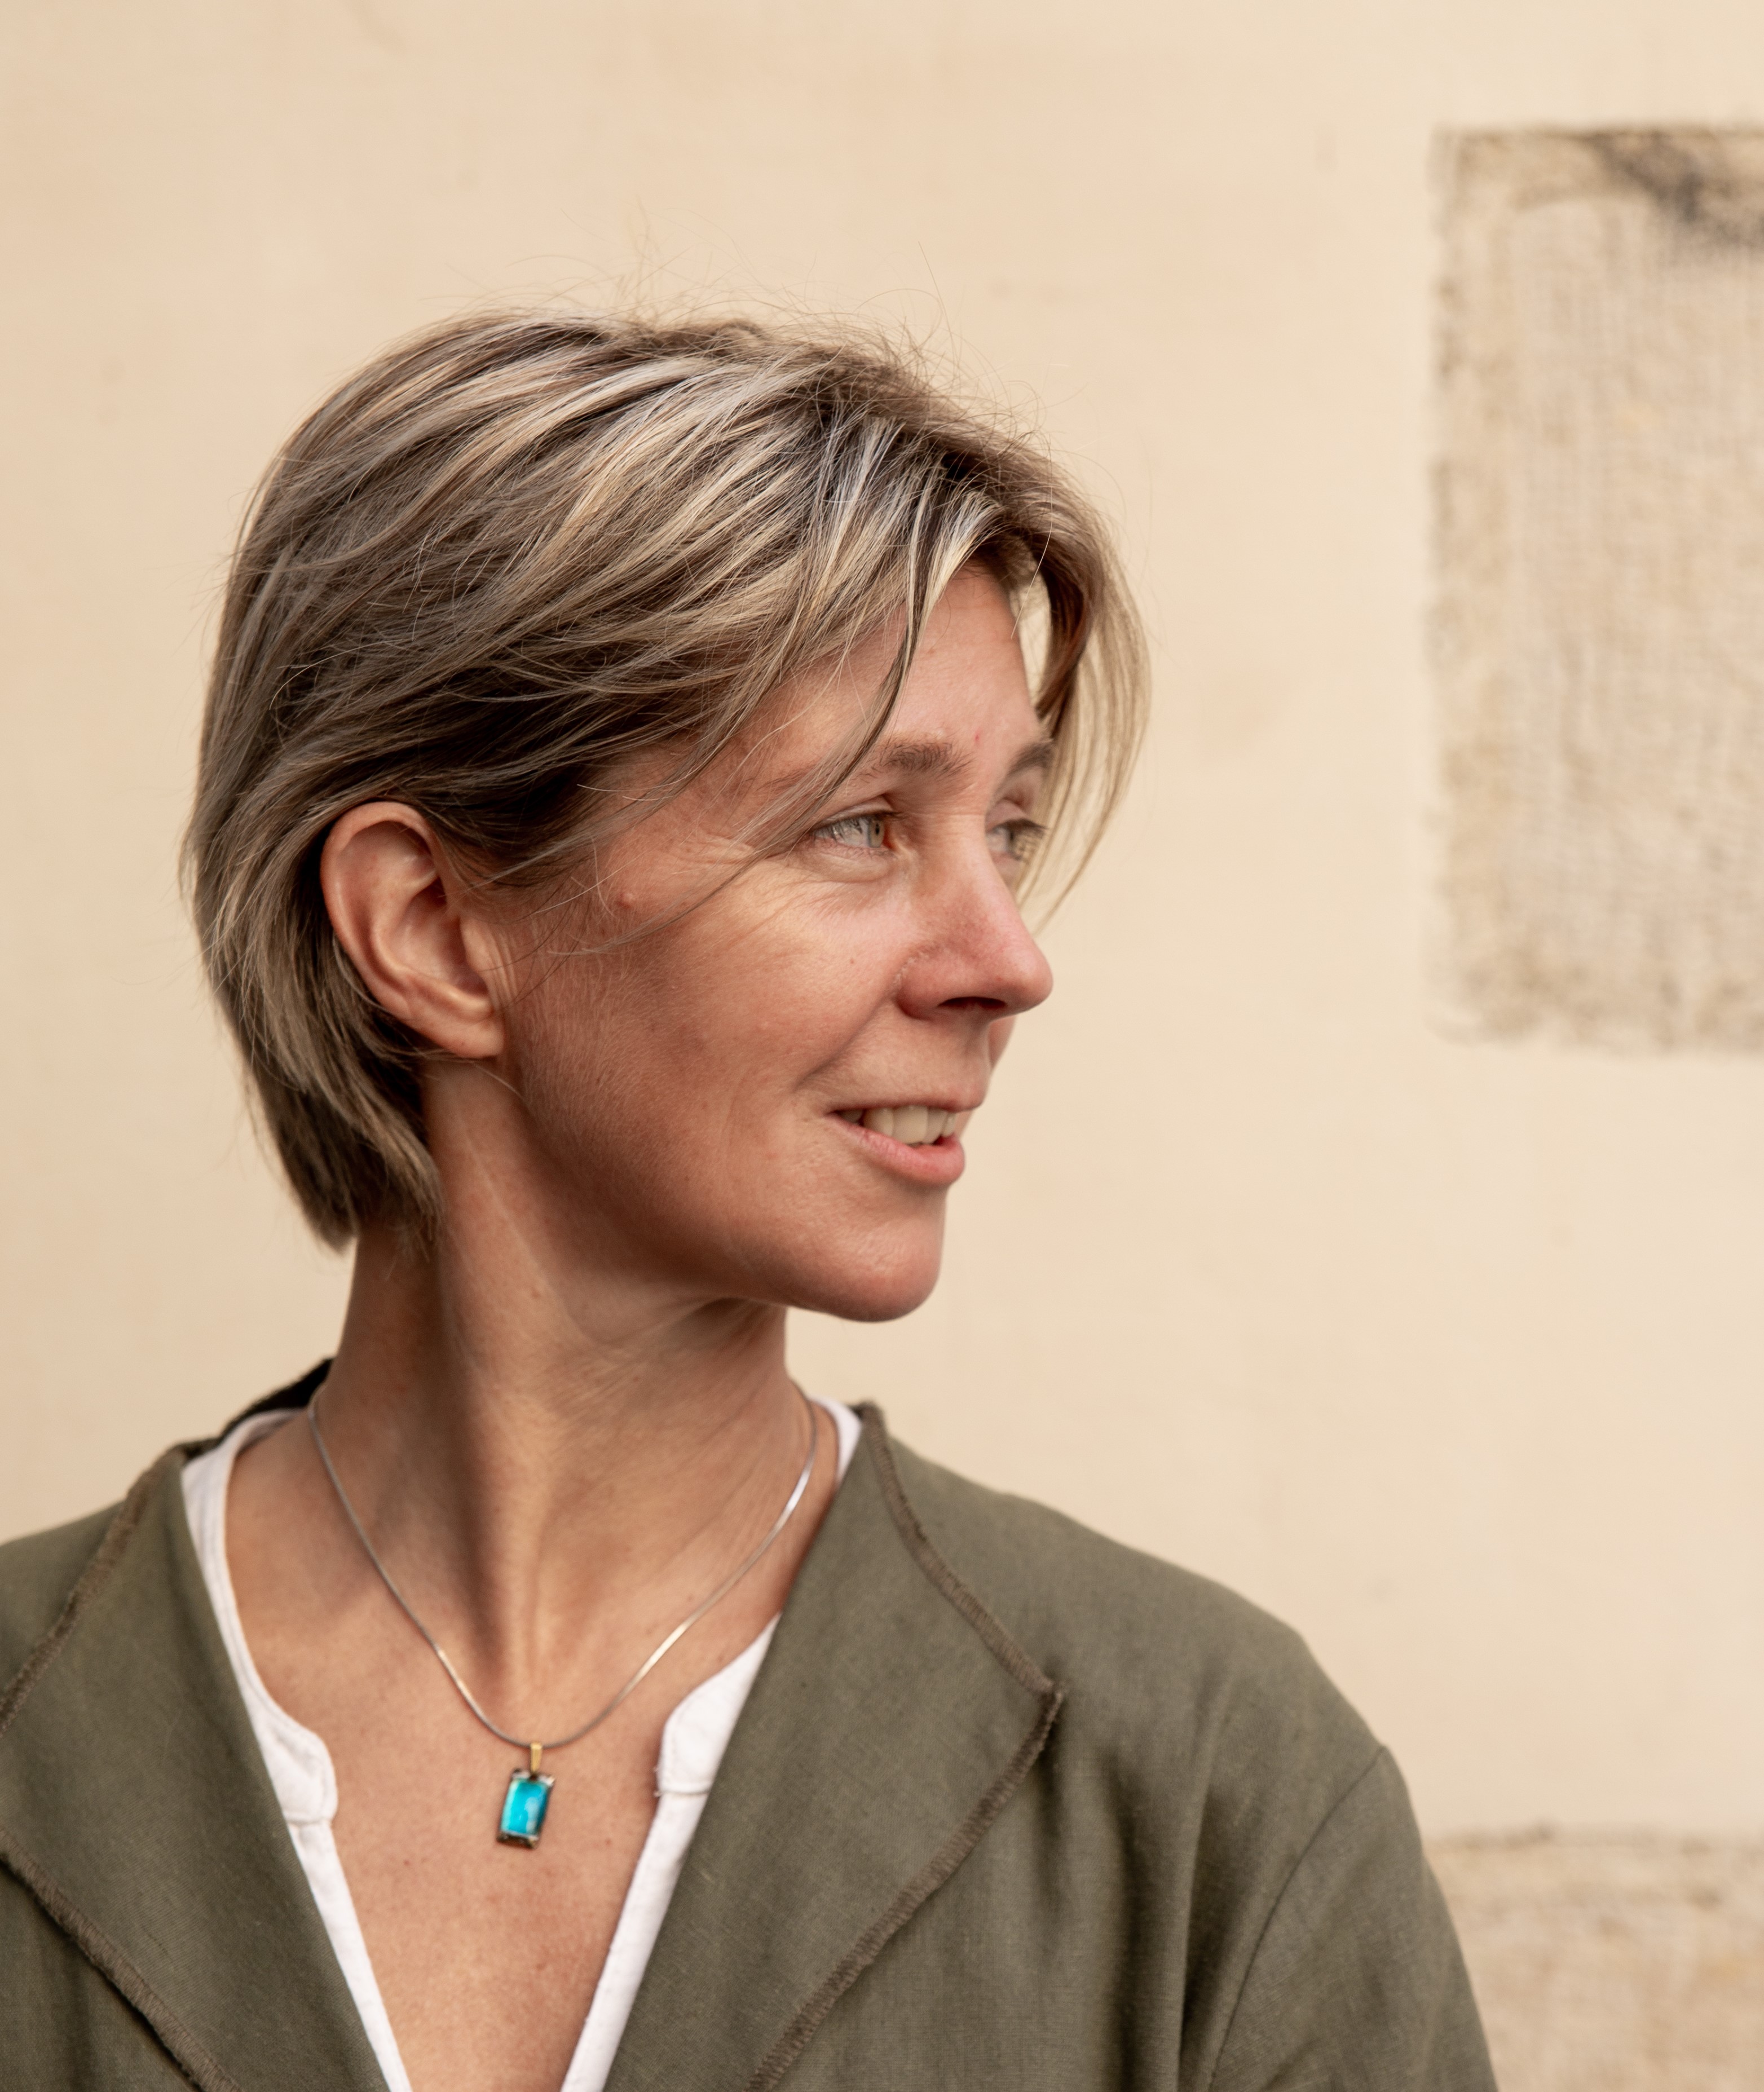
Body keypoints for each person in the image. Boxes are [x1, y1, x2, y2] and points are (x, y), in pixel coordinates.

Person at [0, 310, 1494, 2092]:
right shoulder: (39, 1747)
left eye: (1009, 832)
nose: (1008, 963)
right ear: (436, 930)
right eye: (863, 824)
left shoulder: (1209, 1804)